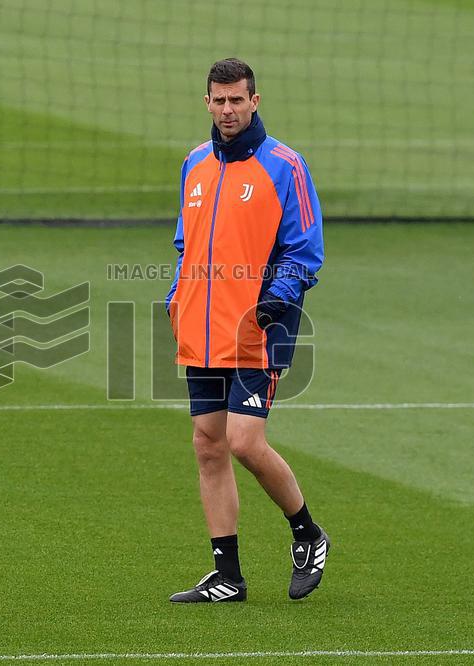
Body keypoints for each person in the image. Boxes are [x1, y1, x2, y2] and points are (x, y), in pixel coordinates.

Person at [164, 58, 326, 602]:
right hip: (202, 328)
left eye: (237, 100)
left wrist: (274, 301)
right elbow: (187, 243)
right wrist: (177, 296)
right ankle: (227, 576)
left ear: (255, 101)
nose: (228, 109)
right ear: (207, 102)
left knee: (244, 441)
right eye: (220, 100)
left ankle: (307, 533)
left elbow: (305, 249)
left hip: (259, 329)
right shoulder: (194, 163)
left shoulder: (285, 165)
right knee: (208, 445)